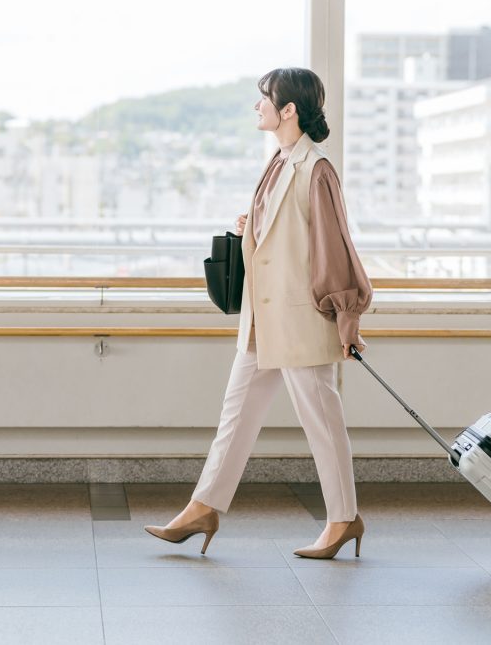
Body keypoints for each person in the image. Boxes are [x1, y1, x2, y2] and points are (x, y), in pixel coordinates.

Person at [144, 67, 374, 559]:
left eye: (264, 99)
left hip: (301, 319)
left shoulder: (317, 168)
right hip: (263, 319)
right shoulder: (280, 161)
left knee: (322, 419)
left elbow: (335, 248)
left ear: (288, 110)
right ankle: (203, 506)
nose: (257, 107)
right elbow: (287, 232)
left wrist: (347, 319)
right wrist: (254, 224)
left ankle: (344, 519)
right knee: (237, 415)